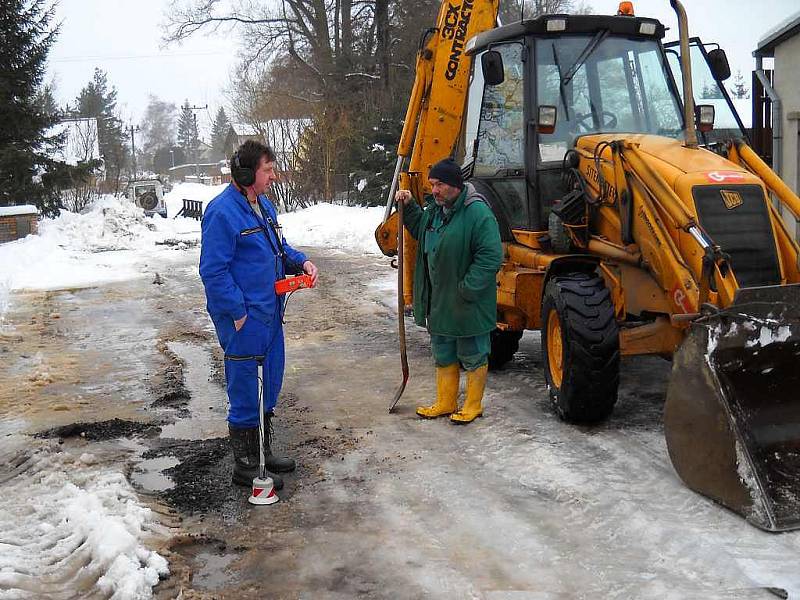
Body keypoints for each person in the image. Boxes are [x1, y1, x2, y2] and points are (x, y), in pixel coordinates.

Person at [200, 140, 318, 489]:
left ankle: (264, 451)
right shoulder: (222, 213)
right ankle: (246, 463)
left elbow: (278, 248)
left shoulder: (264, 206)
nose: (273, 176)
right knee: (246, 388)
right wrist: (236, 312)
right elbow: (213, 271)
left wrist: (301, 261)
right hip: (245, 318)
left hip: (270, 314)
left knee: (272, 382)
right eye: (267, 170)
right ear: (247, 173)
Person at [395, 157, 503, 423]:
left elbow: (490, 256)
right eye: (432, 184)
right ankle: (445, 402)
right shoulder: (435, 210)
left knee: (473, 352)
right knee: (443, 350)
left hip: (468, 301)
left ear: (455, 184)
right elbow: (422, 229)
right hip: (441, 299)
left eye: (440, 184)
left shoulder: (478, 213)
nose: (435, 190)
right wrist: (409, 207)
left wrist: (467, 289)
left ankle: (473, 405)